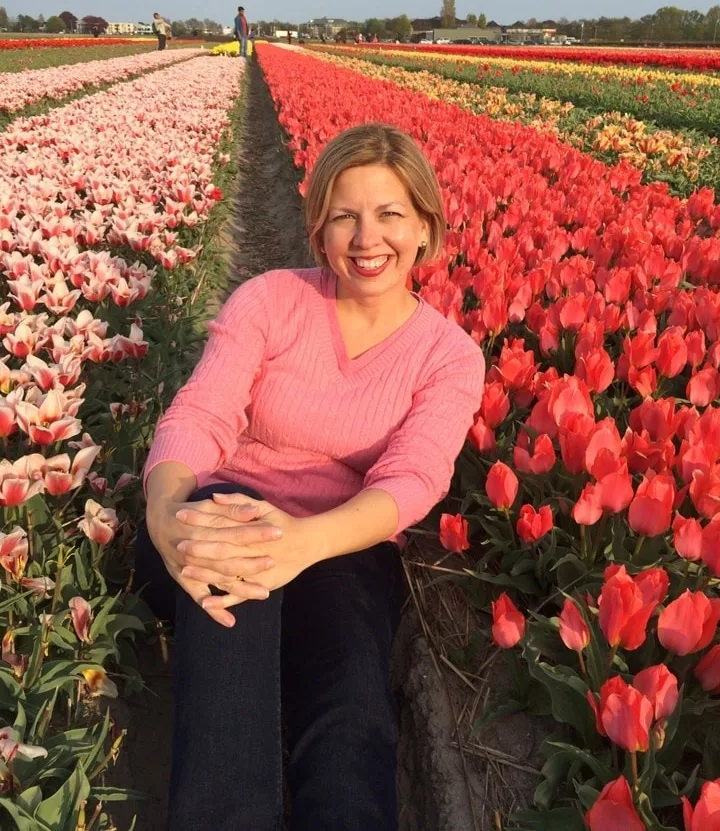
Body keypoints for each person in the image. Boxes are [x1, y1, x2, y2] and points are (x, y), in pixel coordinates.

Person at [135, 124, 486, 831]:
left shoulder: (448, 355)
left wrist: (302, 541)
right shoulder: (268, 301)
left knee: (352, 699)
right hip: (217, 509)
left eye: (390, 214)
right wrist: (166, 513)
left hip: (342, 542)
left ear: (425, 226)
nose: (367, 238)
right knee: (234, 582)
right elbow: (201, 413)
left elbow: (413, 477)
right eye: (344, 215)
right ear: (318, 226)